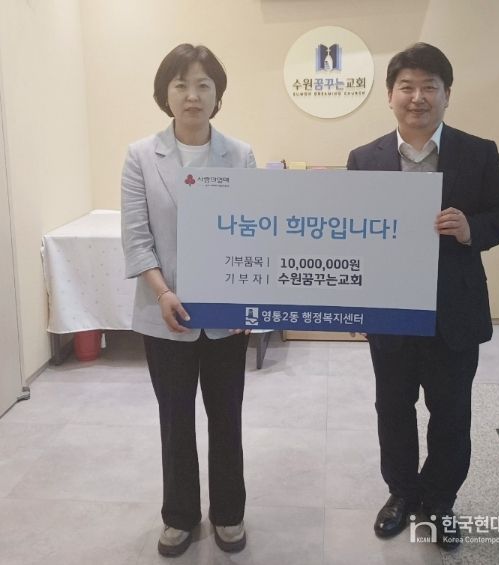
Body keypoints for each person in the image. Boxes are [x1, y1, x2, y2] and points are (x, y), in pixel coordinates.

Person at [347, 43, 499, 550]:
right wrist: (356, 303)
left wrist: (471, 229)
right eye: (407, 86)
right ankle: (401, 494)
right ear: (390, 95)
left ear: (447, 94)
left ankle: (441, 500)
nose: (417, 97)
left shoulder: (478, 152)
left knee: (451, 412)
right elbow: (352, 234)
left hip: (455, 311)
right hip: (391, 310)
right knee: (393, 408)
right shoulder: (365, 159)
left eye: (430, 87)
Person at [121, 43, 255, 557]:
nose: (192, 95)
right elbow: (137, 237)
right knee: (175, 418)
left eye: (203, 84)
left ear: (218, 93)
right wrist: (162, 291)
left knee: (226, 415)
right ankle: (178, 516)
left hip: (225, 317)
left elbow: (252, 233)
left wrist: (245, 301)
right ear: (166, 94)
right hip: (165, 313)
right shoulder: (140, 155)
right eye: (181, 85)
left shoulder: (240, 154)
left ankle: (229, 513)